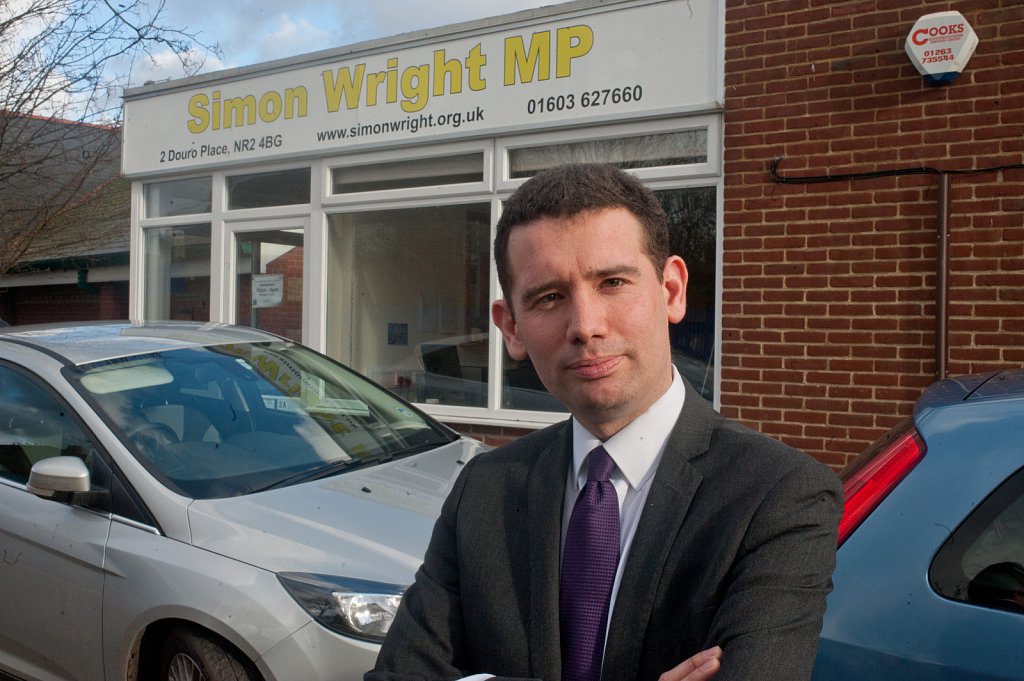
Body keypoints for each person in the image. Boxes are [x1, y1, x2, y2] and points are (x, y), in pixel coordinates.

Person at [366, 163, 842, 681]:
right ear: (512, 327)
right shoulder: (484, 489)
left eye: (613, 282)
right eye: (549, 297)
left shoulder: (779, 496)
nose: (585, 326)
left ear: (671, 290)